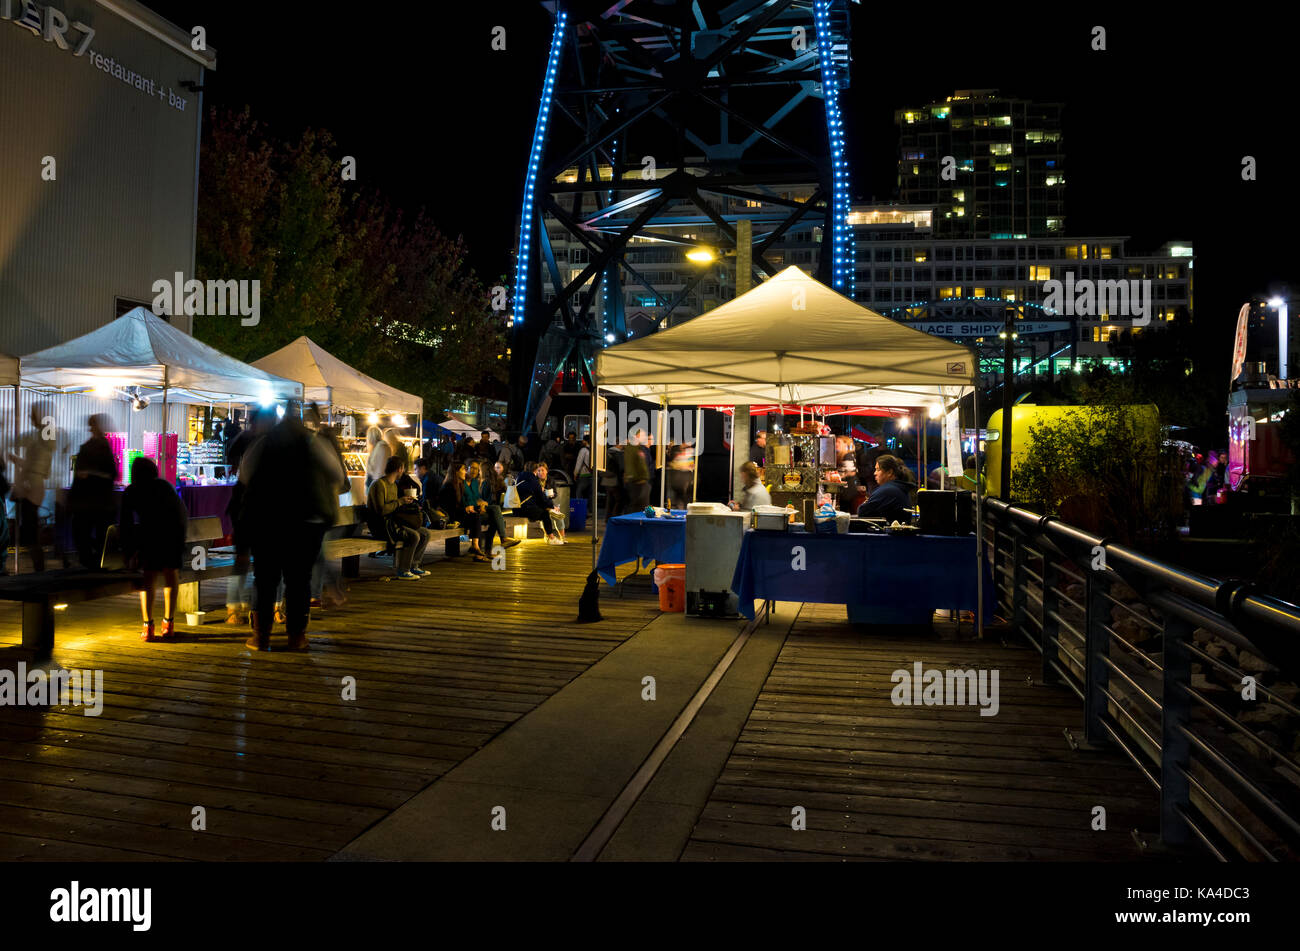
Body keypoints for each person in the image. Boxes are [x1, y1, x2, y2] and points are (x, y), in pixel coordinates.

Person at [241, 409, 345, 651]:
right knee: (299, 580)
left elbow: (245, 474)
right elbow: (337, 475)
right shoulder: (313, 442)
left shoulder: (264, 442)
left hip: (267, 521)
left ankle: (261, 636)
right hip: (307, 522)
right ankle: (296, 637)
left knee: (265, 579)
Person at [120, 456, 188, 642]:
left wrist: (129, 552)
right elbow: (180, 514)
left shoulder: (132, 491)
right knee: (170, 573)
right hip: (173, 534)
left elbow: (125, 524)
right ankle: (169, 623)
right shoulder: (165, 486)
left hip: (150, 537)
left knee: (148, 576)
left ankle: (148, 625)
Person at [224, 409, 272, 624]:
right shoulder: (252, 441)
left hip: (254, 508)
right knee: (243, 558)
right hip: (246, 508)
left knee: (257, 559)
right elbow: (244, 472)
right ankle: (235, 607)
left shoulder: (257, 440)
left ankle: (250, 606)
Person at [7, 402, 59, 572]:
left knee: (30, 533)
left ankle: (40, 569)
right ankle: (40, 568)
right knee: (29, 531)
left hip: (32, 488)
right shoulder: (43, 436)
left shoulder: (44, 437)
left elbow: (36, 466)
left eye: (32, 413)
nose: (29, 416)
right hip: (33, 486)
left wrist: (17, 460)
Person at [70, 413, 117, 569]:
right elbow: (112, 473)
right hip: (95, 500)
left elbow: (110, 473)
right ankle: (94, 562)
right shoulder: (101, 445)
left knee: (84, 532)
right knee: (89, 533)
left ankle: (92, 562)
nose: (91, 428)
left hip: (91, 500)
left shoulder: (98, 446)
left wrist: (88, 475)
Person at [513, 462, 565, 544]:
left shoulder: (518, 478)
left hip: (515, 508)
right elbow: (541, 498)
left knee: (545, 512)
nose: (539, 472)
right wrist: (552, 506)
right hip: (525, 509)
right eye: (538, 470)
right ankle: (551, 538)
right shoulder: (533, 481)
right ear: (535, 470)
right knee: (544, 514)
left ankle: (552, 537)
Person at [857, 454, 912, 524]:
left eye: (878, 470)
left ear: (889, 472)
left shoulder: (888, 490)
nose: (874, 473)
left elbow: (862, 512)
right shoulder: (898, 487)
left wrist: (866, 503)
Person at [623, 434, 650, 512]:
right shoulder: (632, 448)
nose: (645, 437)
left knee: (638, 506)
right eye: (643, 435)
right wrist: (641, 478)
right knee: (638, 506)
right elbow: (633, 465)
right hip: (638, 481)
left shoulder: (637, 448)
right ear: (637, 436)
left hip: (638, 480)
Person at [364, 426, 390, 491]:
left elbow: (379, 470)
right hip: (374, 483)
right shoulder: (378, 447)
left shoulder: (381, 447)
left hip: (376, 485)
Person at [573, 437, 593, 504]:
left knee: (579, 492)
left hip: (584, 474)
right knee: (590, 494)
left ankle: (580, 507)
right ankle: (590, 510)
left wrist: (575, 473)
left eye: (583, 441)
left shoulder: (583, 450)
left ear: (585, 441)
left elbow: (579, 462)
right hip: (593, 475)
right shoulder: (595, 450)